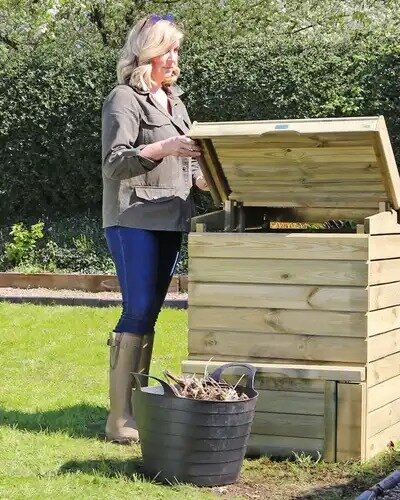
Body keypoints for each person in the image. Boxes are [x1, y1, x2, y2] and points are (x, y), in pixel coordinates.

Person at [101, 13, 208, 443]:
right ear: (147, 52)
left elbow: (189, 162)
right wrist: (164, 146)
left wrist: (207, 178)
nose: (174, 58)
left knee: (151, 311)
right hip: (134, 218)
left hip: (170, 217)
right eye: (167, 49)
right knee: (138, 308)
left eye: (177, 49)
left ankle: (137, 409)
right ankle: (119, 418)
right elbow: (114, 163)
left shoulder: (175, 102)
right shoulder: (124, 98)